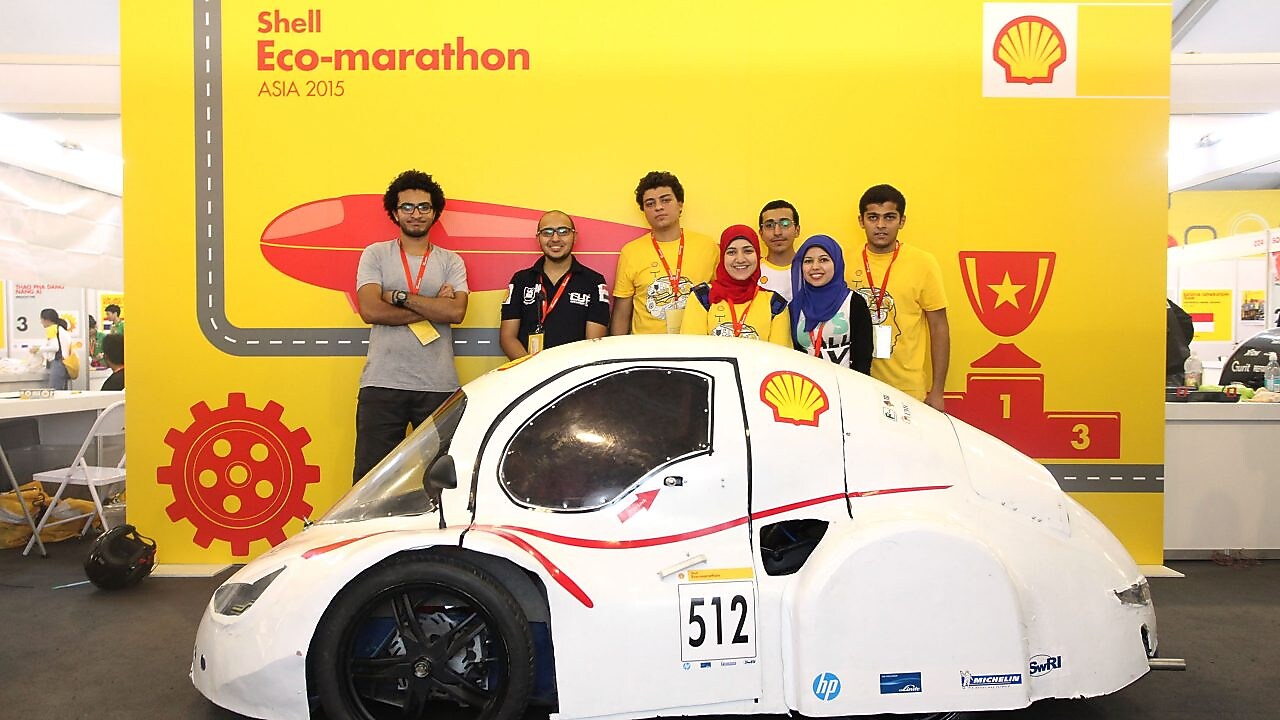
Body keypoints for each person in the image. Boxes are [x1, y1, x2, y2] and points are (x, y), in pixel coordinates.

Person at [353, 169, 469, 484]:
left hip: (439, 386)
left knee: (442, 484)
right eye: (407, 207)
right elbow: (370, 309)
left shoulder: (451, 261)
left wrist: (399, 297)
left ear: (435, 213)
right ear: (394, 212)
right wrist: (433, 304)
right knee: (371, 483)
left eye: (424, 207)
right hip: (382, 384)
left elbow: (456, 311)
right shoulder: (375, 254)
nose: (415, 214)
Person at [849, 184, 949, 410]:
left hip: (908, 388)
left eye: (889, 217)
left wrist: (938, 390)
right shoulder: (845, 262)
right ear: (861, 220)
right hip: (856, 383)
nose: (881, 225)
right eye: (873, 217)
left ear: (902, 221)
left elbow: (939, 326)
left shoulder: (923, 263)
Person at [610, 171, 718, 335]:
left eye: (666, 200)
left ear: (680, 204)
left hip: (696, 346)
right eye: (650, 203)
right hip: (647, 351)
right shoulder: (631, 251)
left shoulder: (707, 246)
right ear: (644, 210)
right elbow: (621, 314)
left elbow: (720, 299)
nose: (658, 207)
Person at [500, 210, 610, 359]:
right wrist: (531, 370)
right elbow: (507, 337)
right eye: (547, 232)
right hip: (527, 373)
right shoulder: (521, 280)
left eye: (563, 231)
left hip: (574, 375)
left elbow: (593, 344)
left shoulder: (594, 282)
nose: (555, 238)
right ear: (538, 238)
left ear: (574, 236)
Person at [680, 224, 790, 346]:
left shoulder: (775, 304)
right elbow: (693, 353)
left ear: (758, 254)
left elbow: (780, 361)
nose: (740, 259)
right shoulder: (702, 298)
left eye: (748, 251)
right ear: (722, 257)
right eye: (731, 252)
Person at [790, 235, 873, 374]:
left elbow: (863, 358)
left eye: (824, 260)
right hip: (808, 390)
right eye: (808, 261)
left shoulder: (853, 302)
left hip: (847, 387)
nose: (815, 267)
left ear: (837, 262)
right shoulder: (795, 306)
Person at [758, 199, 801, 301]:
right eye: (769, 225)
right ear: (761, 234)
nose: (777, 232)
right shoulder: (752, 271)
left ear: (797, 230)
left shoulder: (810, 269)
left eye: (785, 224)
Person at [35, 308, 71, 390]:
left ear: (46, 320)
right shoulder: (60, 328)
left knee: (55, 391)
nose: (41, 322)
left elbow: (55, 347)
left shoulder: (51, 329)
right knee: (62, 391)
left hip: (58, 363)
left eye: (42, 319)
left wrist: (38, 349)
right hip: (64, 362)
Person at [1166, 298, 1194, 386]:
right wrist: (1180, 344)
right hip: (1178, 367)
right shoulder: (1163, 299)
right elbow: (1186, 321)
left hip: (1165, 370)